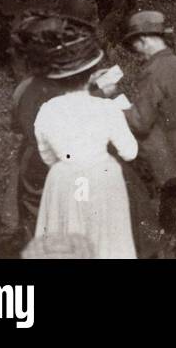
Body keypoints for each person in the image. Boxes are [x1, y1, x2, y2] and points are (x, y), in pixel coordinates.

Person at [33, 41, 139, 259]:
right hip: (102, 174)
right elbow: (130, 152)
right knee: (108, 237)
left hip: (64, 177)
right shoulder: (107, 107)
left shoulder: (48, 110)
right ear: (91, 77)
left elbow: (47, 155)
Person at [122, 10, 176, 257]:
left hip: (157, 157)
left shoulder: (153, 71)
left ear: (145, 39)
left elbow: (140, 122)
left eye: (135, 44)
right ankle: (173, 251)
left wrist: (115, 107)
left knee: (140, 209)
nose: (136, 52)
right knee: (170, 211)